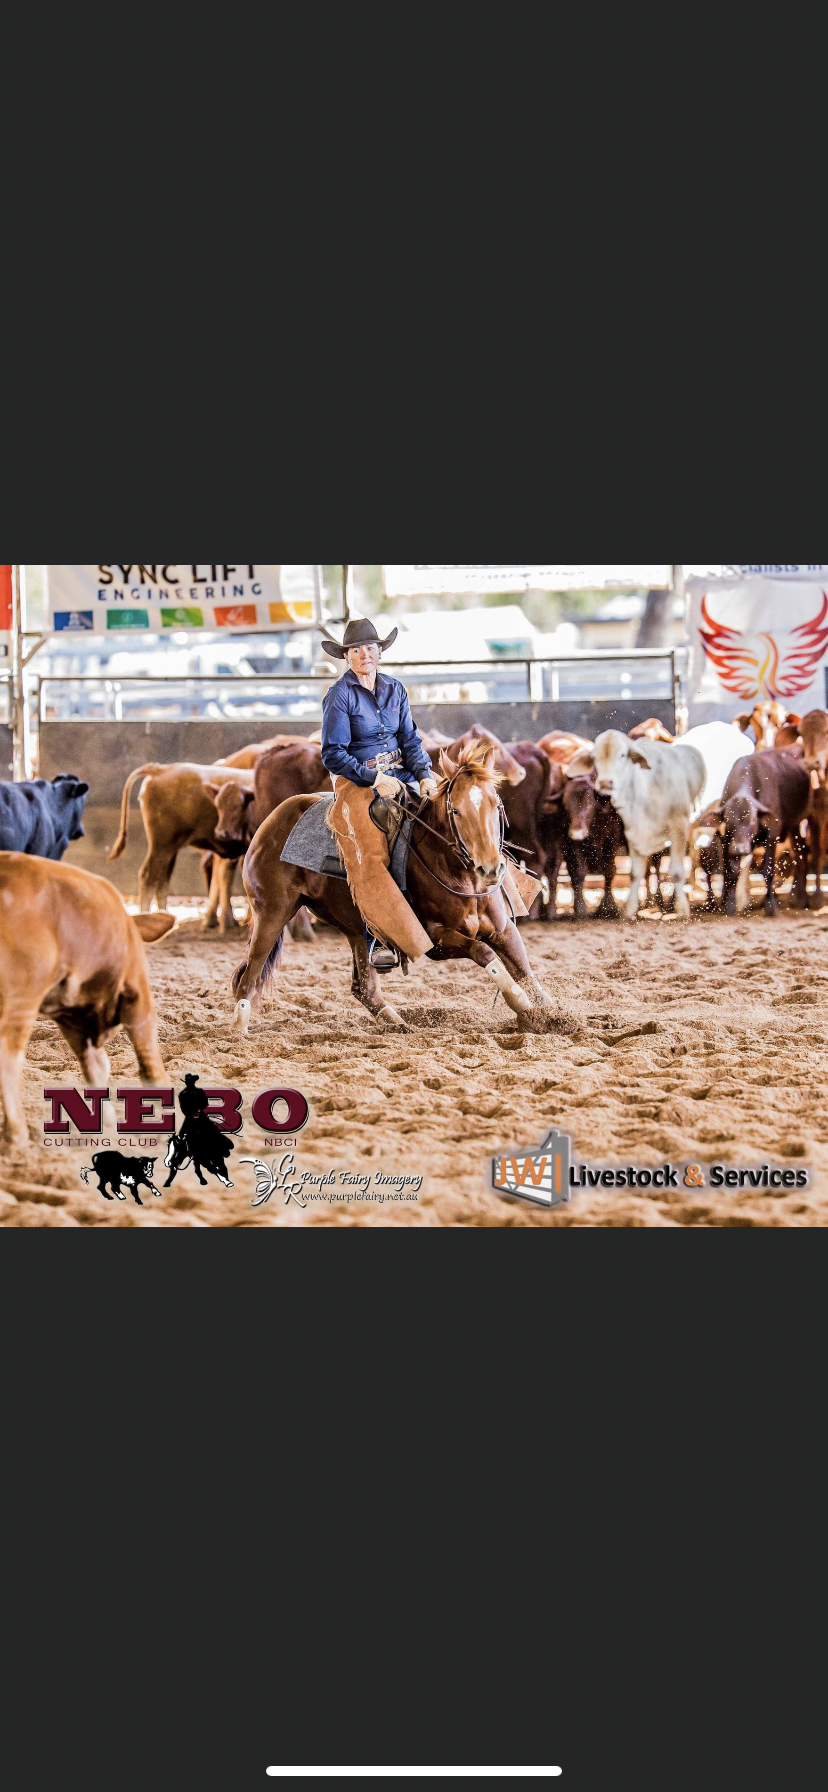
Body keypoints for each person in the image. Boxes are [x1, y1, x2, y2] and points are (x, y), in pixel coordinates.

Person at [320, 619, 440, 972]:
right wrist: (374, 778)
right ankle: (377, 936)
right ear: (346, 657)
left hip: (401, 771)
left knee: (454, 809)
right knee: (370, 850)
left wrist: (425, 775)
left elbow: (411, 740)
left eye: (370, 648)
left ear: (379, 652)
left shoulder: (395, 689)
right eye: (356, 650)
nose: (364, 655)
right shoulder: (339, 695)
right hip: (357, 779)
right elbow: (333, 754)